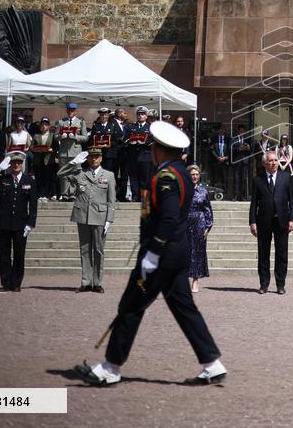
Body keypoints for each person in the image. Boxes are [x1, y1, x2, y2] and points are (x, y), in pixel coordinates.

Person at [74, 121, 226, 387]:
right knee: (184, 309)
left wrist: (153, 253)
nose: (151, 151)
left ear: (160, 149)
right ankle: (212, 363)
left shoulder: (166, 176)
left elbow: (168, 218)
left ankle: (110, 368)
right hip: (176, 254)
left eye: (153, 147)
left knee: (130, 306)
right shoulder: (180, 172)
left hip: (161, 257)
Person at [59, 146, 116, 293]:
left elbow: (111, 200)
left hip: (100, 217)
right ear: (87, 158)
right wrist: (73, 163)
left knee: (98, 250)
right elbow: (60, 174)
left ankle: (97, 282)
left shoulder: (109, 175)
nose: (94, 159)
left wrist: (109, 220)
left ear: (101, 158)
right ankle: (86, 281)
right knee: (84, 250)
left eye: (97, 156)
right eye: (91, 156)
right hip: (83, 216)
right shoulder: (81, 173)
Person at [0, 150, 38, 292]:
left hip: (21, 223)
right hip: (4, 222)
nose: (16, 165)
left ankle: (16, 283)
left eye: (19, 162)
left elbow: (33, 204)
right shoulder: (4, 179)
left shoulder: (29, 181)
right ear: (10, 164)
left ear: (22, 164)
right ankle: (6, 282)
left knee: (19, 254)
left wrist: (30, 223)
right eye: (13, 162)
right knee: (4, 254)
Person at [249, 150, 293, 294]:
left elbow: (292, 200)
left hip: (282, 220)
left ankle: (280, 285)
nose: (274, 163)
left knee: (282, 254)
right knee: (263, 254)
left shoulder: (286, 177)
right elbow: (254, 203)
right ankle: (264, 284)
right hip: (263, 221)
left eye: (276, 160)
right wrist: (252, 222)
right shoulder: (258, 180)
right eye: (270, 160)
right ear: (264, 163)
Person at [187, 164, 214, 293]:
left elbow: (208, 210)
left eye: (197, 175)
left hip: (199, 223)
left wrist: (208, 227)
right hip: (185, 223)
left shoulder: (203, 191)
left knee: (198, 252)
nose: (195, 177)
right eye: (192, 174)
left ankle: (195, 281)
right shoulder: (182, 190)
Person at [56, 103, 89, 201]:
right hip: (64, 151)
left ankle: (72, 194)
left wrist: (75, 137)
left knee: (75, 172)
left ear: (76, 111)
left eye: (72, 110)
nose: (70, 112)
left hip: (75, 151)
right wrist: (61, 136)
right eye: (69, 110)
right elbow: (55, 136)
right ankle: (64, 194)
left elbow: (85, 137)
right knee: (64, 173)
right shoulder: (61, 122)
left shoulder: (80, 122)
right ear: (67, 111)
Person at [124, 106, 153, 203]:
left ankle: (144, 198)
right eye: (139, 114)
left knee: (145, 178)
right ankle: (135, 197)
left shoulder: (150, 127)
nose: (140, 116)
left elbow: (154, 140)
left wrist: (145, 143)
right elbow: (125, 138)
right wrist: (129, 142)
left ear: (146, 116)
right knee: (133, 177)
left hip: (145, 156)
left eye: (143, 114)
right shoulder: (131, 126)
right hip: (133, 156)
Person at [31, 117, 59, 201]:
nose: (44, 126)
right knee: (38, 177)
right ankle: (39, 194)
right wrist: (36, 150)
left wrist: (51, 150)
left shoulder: (52, 135)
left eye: (46, 125)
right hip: (38, 159)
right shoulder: (36, 135)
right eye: (42, 124)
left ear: (49, 126)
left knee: (47, 177)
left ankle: (46, 194)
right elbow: (31, 147)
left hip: (48, 159)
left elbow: (56, 147)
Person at [90, 107, 123, 176]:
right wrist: (95, 144)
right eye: (102, 115)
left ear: (108, 115)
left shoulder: (113, 125)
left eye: (105, 115)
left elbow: (118, 137)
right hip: (99, 153)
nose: (104, 117)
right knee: (99, 172)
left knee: (109, 173)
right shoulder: (96, 126)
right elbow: (92, 139)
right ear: (100, 116)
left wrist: (110, 144)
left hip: (110, 153)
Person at [112, 107, 131, 201]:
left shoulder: (127, 125)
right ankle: (113, 195)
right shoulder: (112, 124)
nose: (126, 115)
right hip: (115, 153)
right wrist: (120, 139)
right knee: (114, 175)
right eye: (124, 113)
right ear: (119, 114)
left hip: (126, 154)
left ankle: (122, 196)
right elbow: (111, 137)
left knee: (124, 176)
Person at [208, 125, 231, 197]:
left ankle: (225, 194)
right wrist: (218, 157)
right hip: (216, 161)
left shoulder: (228, 139)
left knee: (224, 178)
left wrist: (225, 158)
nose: (221, 131)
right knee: (215, 178)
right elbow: (212, 149)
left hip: (225, 162)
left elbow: (231, 150)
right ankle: (214, 194)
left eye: (223, 129)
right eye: (220, 130)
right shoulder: (214, 139)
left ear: (225, 130)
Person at [231, 123, 252, 201]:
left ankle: (242, 196)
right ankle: (235, 195)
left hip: (244, 161)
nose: (242, 133)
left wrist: (248, 148)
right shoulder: (234, 139)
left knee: (243, 179)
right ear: (238, 131)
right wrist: (239, 149)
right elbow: (231, 149)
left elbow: (251, 150)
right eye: (241, 131)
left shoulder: (247, 139)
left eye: (244, 131)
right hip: (237, 161)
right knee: (236, 179)